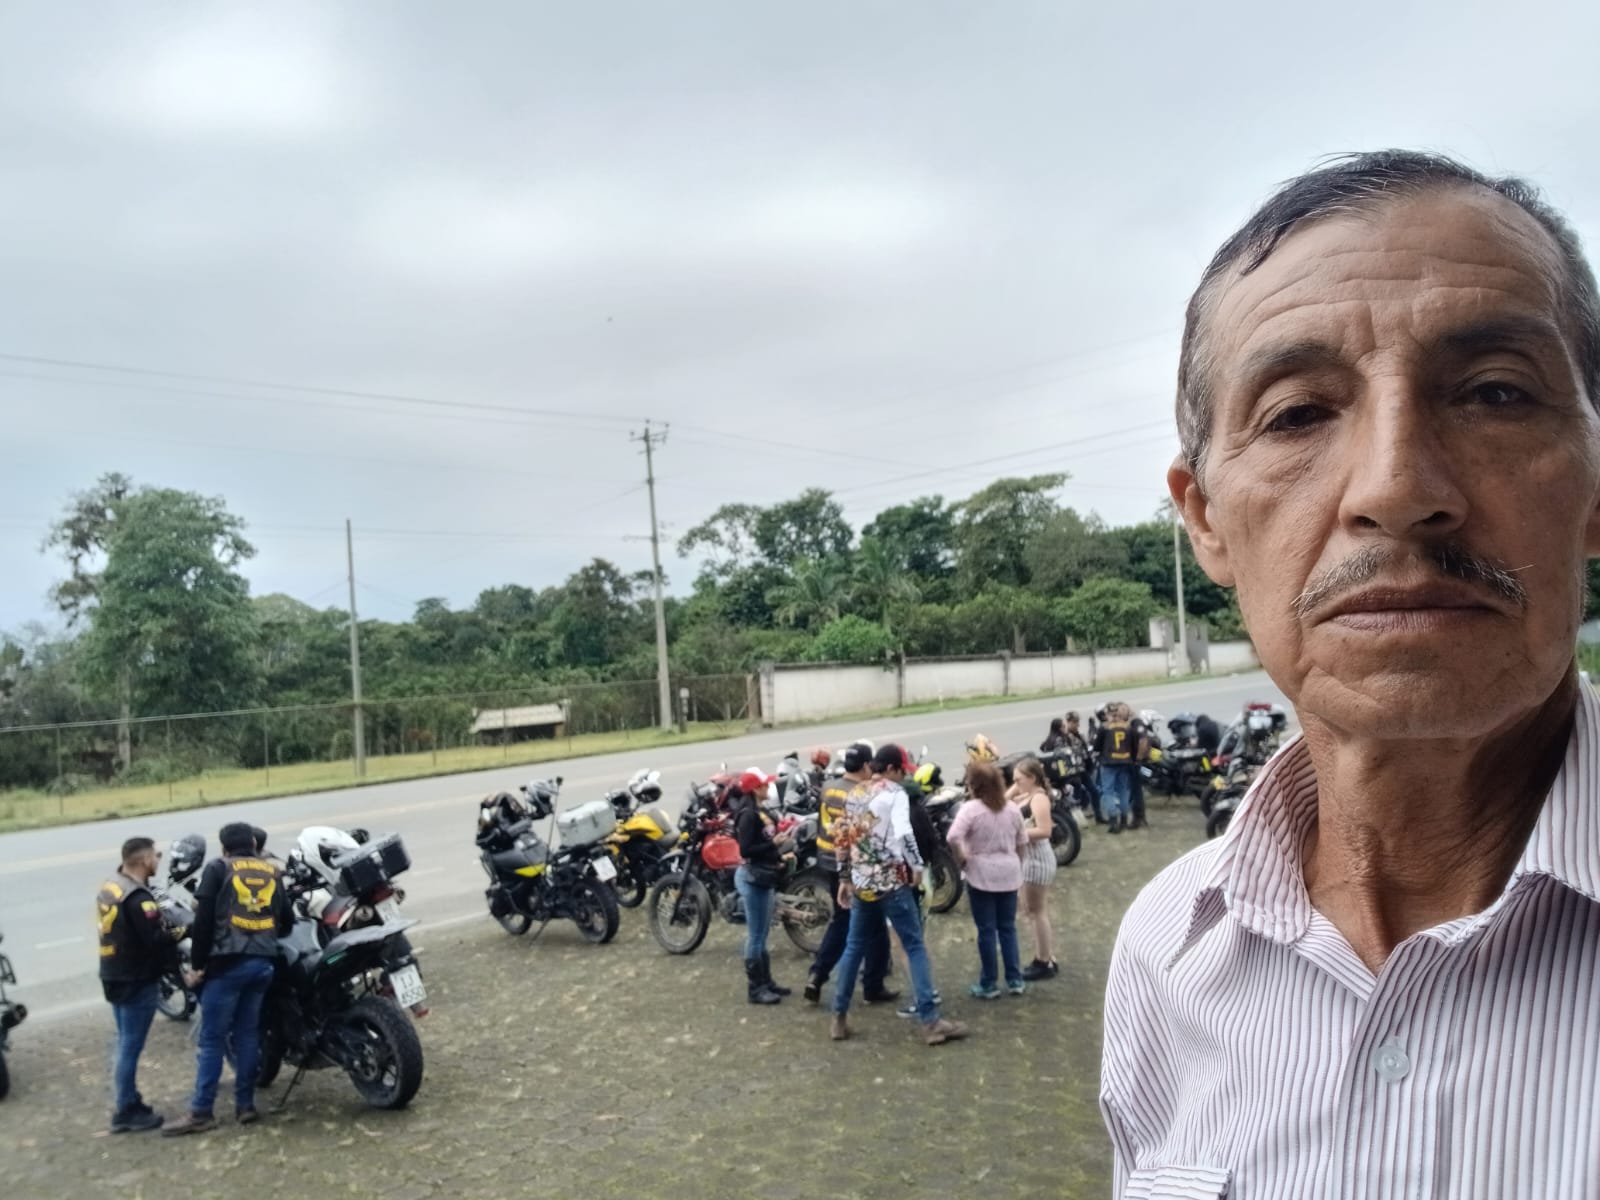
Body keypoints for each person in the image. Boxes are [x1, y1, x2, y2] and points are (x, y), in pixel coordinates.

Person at [1103, 150, 1600, 1195]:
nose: (1395, 488)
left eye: (1494, 394)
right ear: (1206, 521)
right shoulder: (1165, 949)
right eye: (1296, 414)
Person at [829, 744, 967, 1046]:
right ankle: (931, 1022)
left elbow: (842, 838)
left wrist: (845, 877)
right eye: (902, 771)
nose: (904, 776)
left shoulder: (856, 793)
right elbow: (905, 835)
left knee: (853, 947)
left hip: (863, 884)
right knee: (914, 945)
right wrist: (916, 866)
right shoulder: (895, 794)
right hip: (892, 883)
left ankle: (838, 1017)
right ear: (891, 769)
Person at [162, 822, 291, 1135]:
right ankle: (245, 1106)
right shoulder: (272, 872)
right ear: (253, 844)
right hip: (263, 965)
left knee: (212, 1040)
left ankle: (201, 1111)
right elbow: (287, 922)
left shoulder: (218, 869)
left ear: (223, 848)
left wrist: (197, 966)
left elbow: (203, 923)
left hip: (227, 967)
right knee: (247, 1034)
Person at [97, 836, 182, 1134]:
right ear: (145, 860)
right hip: (136, 978)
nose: (159, 859)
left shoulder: (112, 885)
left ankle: (128, 1098)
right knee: (130, 1045)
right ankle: (126, 1111)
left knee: (123, 1041)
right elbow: (155, 939)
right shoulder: (139, 898)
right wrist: (181, 932)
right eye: (156, 855)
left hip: (112, 972)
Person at [805, 744, 896, 1007]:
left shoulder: (829, 787)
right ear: (866, 765)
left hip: (827, 860)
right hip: (851, 865)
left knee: (842, 920)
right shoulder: (860, 795)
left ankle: (818, 974)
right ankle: (872, 985)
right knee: (873, 926)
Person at [945, 761, 1028, 999]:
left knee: (986, 930)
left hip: (981, 873)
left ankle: (989, 982)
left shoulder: (971, 809)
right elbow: (1022, 841)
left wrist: (961, 858)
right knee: (1008, 928)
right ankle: (1015, 978)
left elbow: (953, 836)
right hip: (1009, 872)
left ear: (975, 785)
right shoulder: (1012, 809)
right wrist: (1016, 863)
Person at [730, 769, 792, 1006]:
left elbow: (761, 844)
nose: (769, 788)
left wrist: (777, 854)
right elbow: (746, 850)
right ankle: (756, 988)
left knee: (762, 934)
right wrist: (772, 844)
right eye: (765, 785)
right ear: (755, 789)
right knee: (756, 936)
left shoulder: (760, 811)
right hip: (753, 878)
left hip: (763, 876)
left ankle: (766, 981)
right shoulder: (748, 815)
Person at [1008, 758, 1059, 980]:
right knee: (1031, 910)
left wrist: (1019, 834)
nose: (1016, 784)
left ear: (1032, 778)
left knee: (1036, 911)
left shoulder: (1038, 798)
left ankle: (1043, 960)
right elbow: (1002, 802)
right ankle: (1045, 955)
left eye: (1019, 779)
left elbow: (1045, 830)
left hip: (1037, 859)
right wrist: (1015, 787)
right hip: (1030, 859)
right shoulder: (1028, 795)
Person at [1095, 702, 1141, 834]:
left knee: (1108, 791)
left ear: (1109, 713)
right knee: (1123, 791)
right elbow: (1134, 746)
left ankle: (1113, 820)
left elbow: (1097, 746)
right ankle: (1124, 819)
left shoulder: (1104, 728)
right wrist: (1132, 759)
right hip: (1125, 762)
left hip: (1108, 763)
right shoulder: (1129, 727)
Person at [1125, 705, 1153, 830]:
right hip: (1135, 761)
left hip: (1135, 762)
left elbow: (1143, 741)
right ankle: (1140, 817)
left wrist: (1138, 758)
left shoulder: (1136, 723)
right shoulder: (1134, 724)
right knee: (1136, 791)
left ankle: (1138, 818)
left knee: (1135, 791)